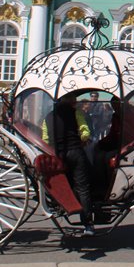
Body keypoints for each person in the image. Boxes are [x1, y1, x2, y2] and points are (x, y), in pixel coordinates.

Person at [42, 92, 94, 236]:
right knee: (83, 187)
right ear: (70, 101)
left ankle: (64, 206)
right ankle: (88, 224)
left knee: (65, 184)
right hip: (75, 151)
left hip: (58, 155)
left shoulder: (48, 117)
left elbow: (45, 139)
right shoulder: (76, 113)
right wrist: (83, 139)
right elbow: (85, 132)